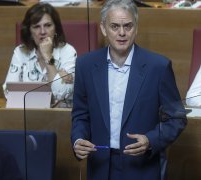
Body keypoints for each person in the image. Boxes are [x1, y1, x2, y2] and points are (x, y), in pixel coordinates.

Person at [71, 0, 187, 180]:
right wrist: (78, 140)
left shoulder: (158, 66)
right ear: (103, 29)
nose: (122, 33)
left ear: (136, 27)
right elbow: (80, 114)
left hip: (141, 167)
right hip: (100, 167)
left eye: (128, 26)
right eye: (114, 26)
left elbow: (176, 118)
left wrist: (151, 140)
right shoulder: (85, 65)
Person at [2, 3, 76, 106]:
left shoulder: (68, 51)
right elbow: (8, 92)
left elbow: (61, 94)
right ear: (30, 32)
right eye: (36, 27)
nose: (42, 32)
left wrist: (48, 56)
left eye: (48, 25)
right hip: (27, 114)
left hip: (59, 116)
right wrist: (57, 76)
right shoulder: (20, 52)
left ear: (56, 29)